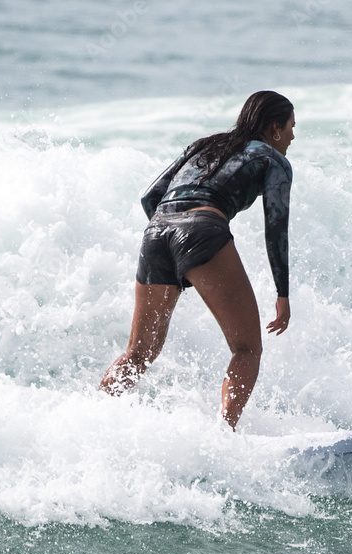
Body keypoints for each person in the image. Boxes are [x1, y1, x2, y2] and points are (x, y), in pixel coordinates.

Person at [100, 90, 296, 430]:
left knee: (139, 353)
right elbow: (276, 226)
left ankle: (94, 413)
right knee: (247, 349)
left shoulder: (204, 145)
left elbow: (151, 196)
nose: (293, 137)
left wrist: (175, 258)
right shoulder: (273, 160)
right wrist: (282, 293)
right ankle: (224, 436)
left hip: (156, 232)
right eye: (292, 127)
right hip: (201, 230)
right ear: (274, 128)